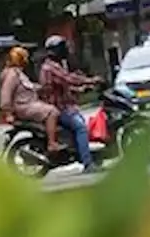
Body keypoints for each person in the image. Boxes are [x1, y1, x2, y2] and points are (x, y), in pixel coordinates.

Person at [40, 35, 104, 173]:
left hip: (64, 106)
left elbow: (64, 85)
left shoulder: (55, 66)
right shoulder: (50, 68)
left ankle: (82, 153)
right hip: (59, 108)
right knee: (81, 128)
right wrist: (90, 80)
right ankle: (87, 163)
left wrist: (82, 89)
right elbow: (69, 79)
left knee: (81, 124)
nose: (66, 51)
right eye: (63, 48)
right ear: (56, 50)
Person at [0, 46, 63, 152]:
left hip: (27, 104)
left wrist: (40, 87)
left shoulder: (18, 72)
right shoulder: (12, 74)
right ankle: (52, 143)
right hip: (23, 106)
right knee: (52, 111)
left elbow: (27, 86)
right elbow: (6, 94)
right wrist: (8, 113)